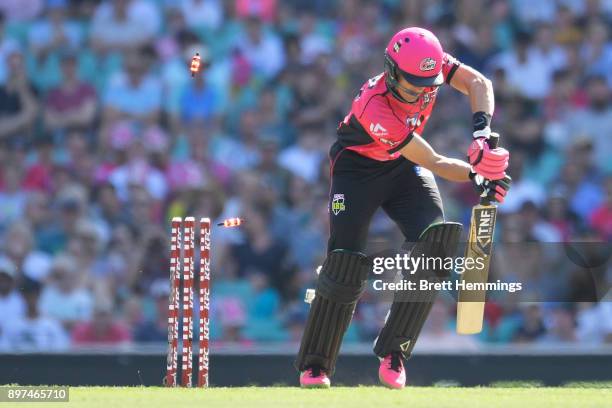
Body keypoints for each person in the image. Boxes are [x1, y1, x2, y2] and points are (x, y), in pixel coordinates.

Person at [295, 27, 511, 389]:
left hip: (402, 167)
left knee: (436, 241)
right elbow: (437, 161)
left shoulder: (429, 69)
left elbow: (479, 84)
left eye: (430, 86)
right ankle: (316, 365)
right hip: (357, 170)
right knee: (345, 260)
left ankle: (394, 353)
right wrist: (478, 174)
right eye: (413, 85)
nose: (423, 93)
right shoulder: (373, 105)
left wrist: (481, 135)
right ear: (392, 71)